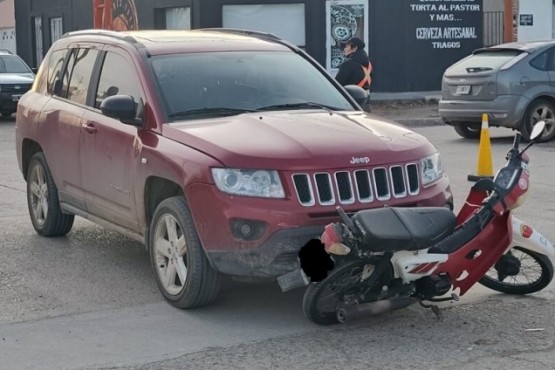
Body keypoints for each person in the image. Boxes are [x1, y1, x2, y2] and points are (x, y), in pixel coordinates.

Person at [335, 37, 373, 110]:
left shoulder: (348, 65)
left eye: (346, 46)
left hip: (350, 105)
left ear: (354, 48)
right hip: (366, 105)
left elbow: (337, 85)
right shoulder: (369, 65)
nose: (344, 49)